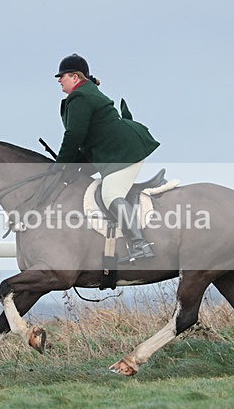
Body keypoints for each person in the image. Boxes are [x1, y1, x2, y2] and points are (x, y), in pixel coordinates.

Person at [53, 53, 160, 263]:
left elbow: (74, 135)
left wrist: (60, 165)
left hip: (124, 151)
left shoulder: (80, 97)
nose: (59, 80)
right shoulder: (85, 92)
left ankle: (141, 245)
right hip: (113, 152)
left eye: (62, 76)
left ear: (75, 77)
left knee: (111, 194)